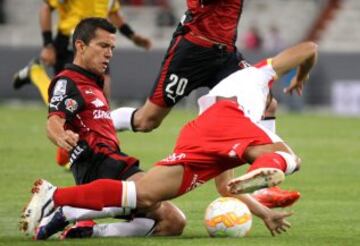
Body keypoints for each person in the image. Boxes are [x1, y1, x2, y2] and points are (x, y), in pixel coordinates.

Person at [20, 41, 318, 238]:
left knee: (144, 193)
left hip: (202, 133)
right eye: (270, 113)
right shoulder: (258, 76)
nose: (270, 114)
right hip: (228, 113)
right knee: (289, 157)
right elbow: (309, 47)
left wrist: (265, 213)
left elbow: (227, 187)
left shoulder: (246, 131)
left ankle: (56, 197)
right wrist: (301, 74)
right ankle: (267, 169)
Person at [110, 0, 300, 208]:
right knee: (146, 120)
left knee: (268, 103)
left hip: (224, 54)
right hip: (192, 51)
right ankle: (97, 125)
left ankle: (264, 187)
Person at [18, 17, 185, 240]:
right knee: (151, 193)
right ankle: (62, 206)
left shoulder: (94, 83)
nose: (109, 53)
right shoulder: (67, 81)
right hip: (98, 161)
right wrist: (62, 136)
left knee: (174, 222)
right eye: (103, 46)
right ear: (80, 46)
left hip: (113, 161)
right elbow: (53, 121)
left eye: (112, 48)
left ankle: (88, 231)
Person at [12, 0, 151, 167]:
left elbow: (114, 15)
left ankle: (86, 149)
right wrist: (48, 44)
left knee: (101, 97)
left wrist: (133, 36)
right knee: (63, 99)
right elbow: (46, 8)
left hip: (99, 44)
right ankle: (36, 73)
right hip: (74, 42)